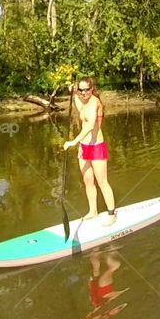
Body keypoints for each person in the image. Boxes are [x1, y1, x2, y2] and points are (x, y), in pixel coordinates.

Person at [63, 76, 117, 226]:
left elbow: (89, 125)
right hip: (84, 148)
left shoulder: (94, 102)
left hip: (96, 147)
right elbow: (78, 105)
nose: (84, 93)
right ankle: (93, 211)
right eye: (81, 90)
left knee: (102, 182)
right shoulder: (82, 101)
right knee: (88, 181)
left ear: (92, 89)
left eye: (87, 90)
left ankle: (111, 213)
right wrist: (73, 92)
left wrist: (73, 141)